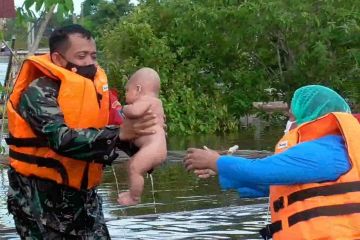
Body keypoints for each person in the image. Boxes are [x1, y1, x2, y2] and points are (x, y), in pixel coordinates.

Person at [6, 24, 159, 239]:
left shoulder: (95, 90)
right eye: (82, 56)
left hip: (84, 201)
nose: (90, 62)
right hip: (40, 203)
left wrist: (145, 145)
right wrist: (119, 134)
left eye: (93, 56)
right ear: (59, 59)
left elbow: (115, 130)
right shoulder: (38, 92)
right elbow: (60, 139)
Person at [184, 85, 360, 240]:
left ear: (311, 116)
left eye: (291, 116)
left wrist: (217, 161)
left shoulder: (327, 151)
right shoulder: (332, 149)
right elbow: (270, 185)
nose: (289, 122)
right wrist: (220, 169)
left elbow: (263, 170)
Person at [117, 67, 167, 206]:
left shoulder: (146, 100)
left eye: (127, 91)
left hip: (152, 148)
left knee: (134, 168)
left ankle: (134, 197)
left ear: (138, 89)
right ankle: (132, 192)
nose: (125, 96)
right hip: (157, 148)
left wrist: (123, 108)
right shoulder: (157, 103)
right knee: (132, 166)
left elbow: (135, 111)